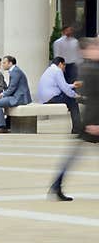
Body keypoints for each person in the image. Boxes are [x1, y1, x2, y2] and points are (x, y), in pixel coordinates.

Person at [49, 38, 99, 201]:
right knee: (73, 156)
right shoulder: (90, 69)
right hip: (93, 121)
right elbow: (93, 99)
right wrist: (94, 123)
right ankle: (56, 185)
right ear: (85, 51)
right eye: (95, 47)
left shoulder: (92, 67)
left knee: (73, 156)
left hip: (92, 121)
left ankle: (56, 185)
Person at [37, 56, 82, 133]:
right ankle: (77, 129)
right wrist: (75, 95)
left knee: (71, 99)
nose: (65, 68)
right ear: (60, 64)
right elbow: (64, 88)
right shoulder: (58, 71)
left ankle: (77, 128)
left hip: (45, 98)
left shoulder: (51, 70)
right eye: (64, 65)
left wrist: (73, 85)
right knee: (73, 102)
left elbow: (62, 85)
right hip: (51, 98)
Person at [0, 55, 32, 133]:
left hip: (19, 98)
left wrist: (1, 95)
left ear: (10, 63)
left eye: (4, 63)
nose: (3, 65)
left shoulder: (15, 72)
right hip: (16, 96)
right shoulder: (15, 71)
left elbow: (12, 88)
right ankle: (0, 124)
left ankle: (1, 126)